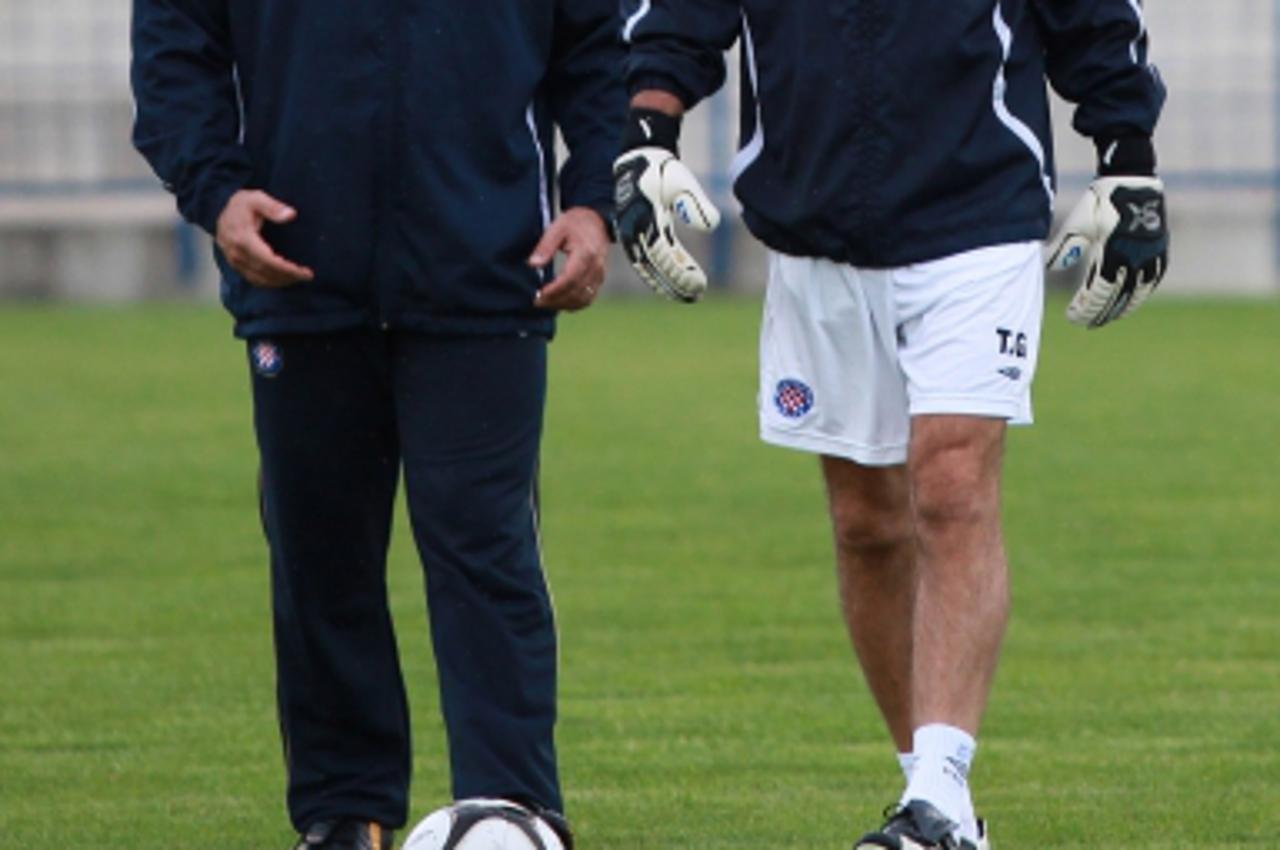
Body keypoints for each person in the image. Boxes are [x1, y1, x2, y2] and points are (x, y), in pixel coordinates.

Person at [613, 2, 1168, 848]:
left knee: (951, 486)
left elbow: (1092, 11)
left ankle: (940, 799)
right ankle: (931, 801)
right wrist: (649, 132)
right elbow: (679, 12)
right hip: (814, 217)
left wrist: (1127, 151)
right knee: (865, 521)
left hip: (977, 205)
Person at [131, 3, 624, 848]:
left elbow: (595, 53)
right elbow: (175, 49)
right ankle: (341, 812)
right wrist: (215, 191)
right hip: (298, 268)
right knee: (319, 554)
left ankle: (510, 810)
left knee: (484, 545)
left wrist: (592, 201)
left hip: (486, 267)